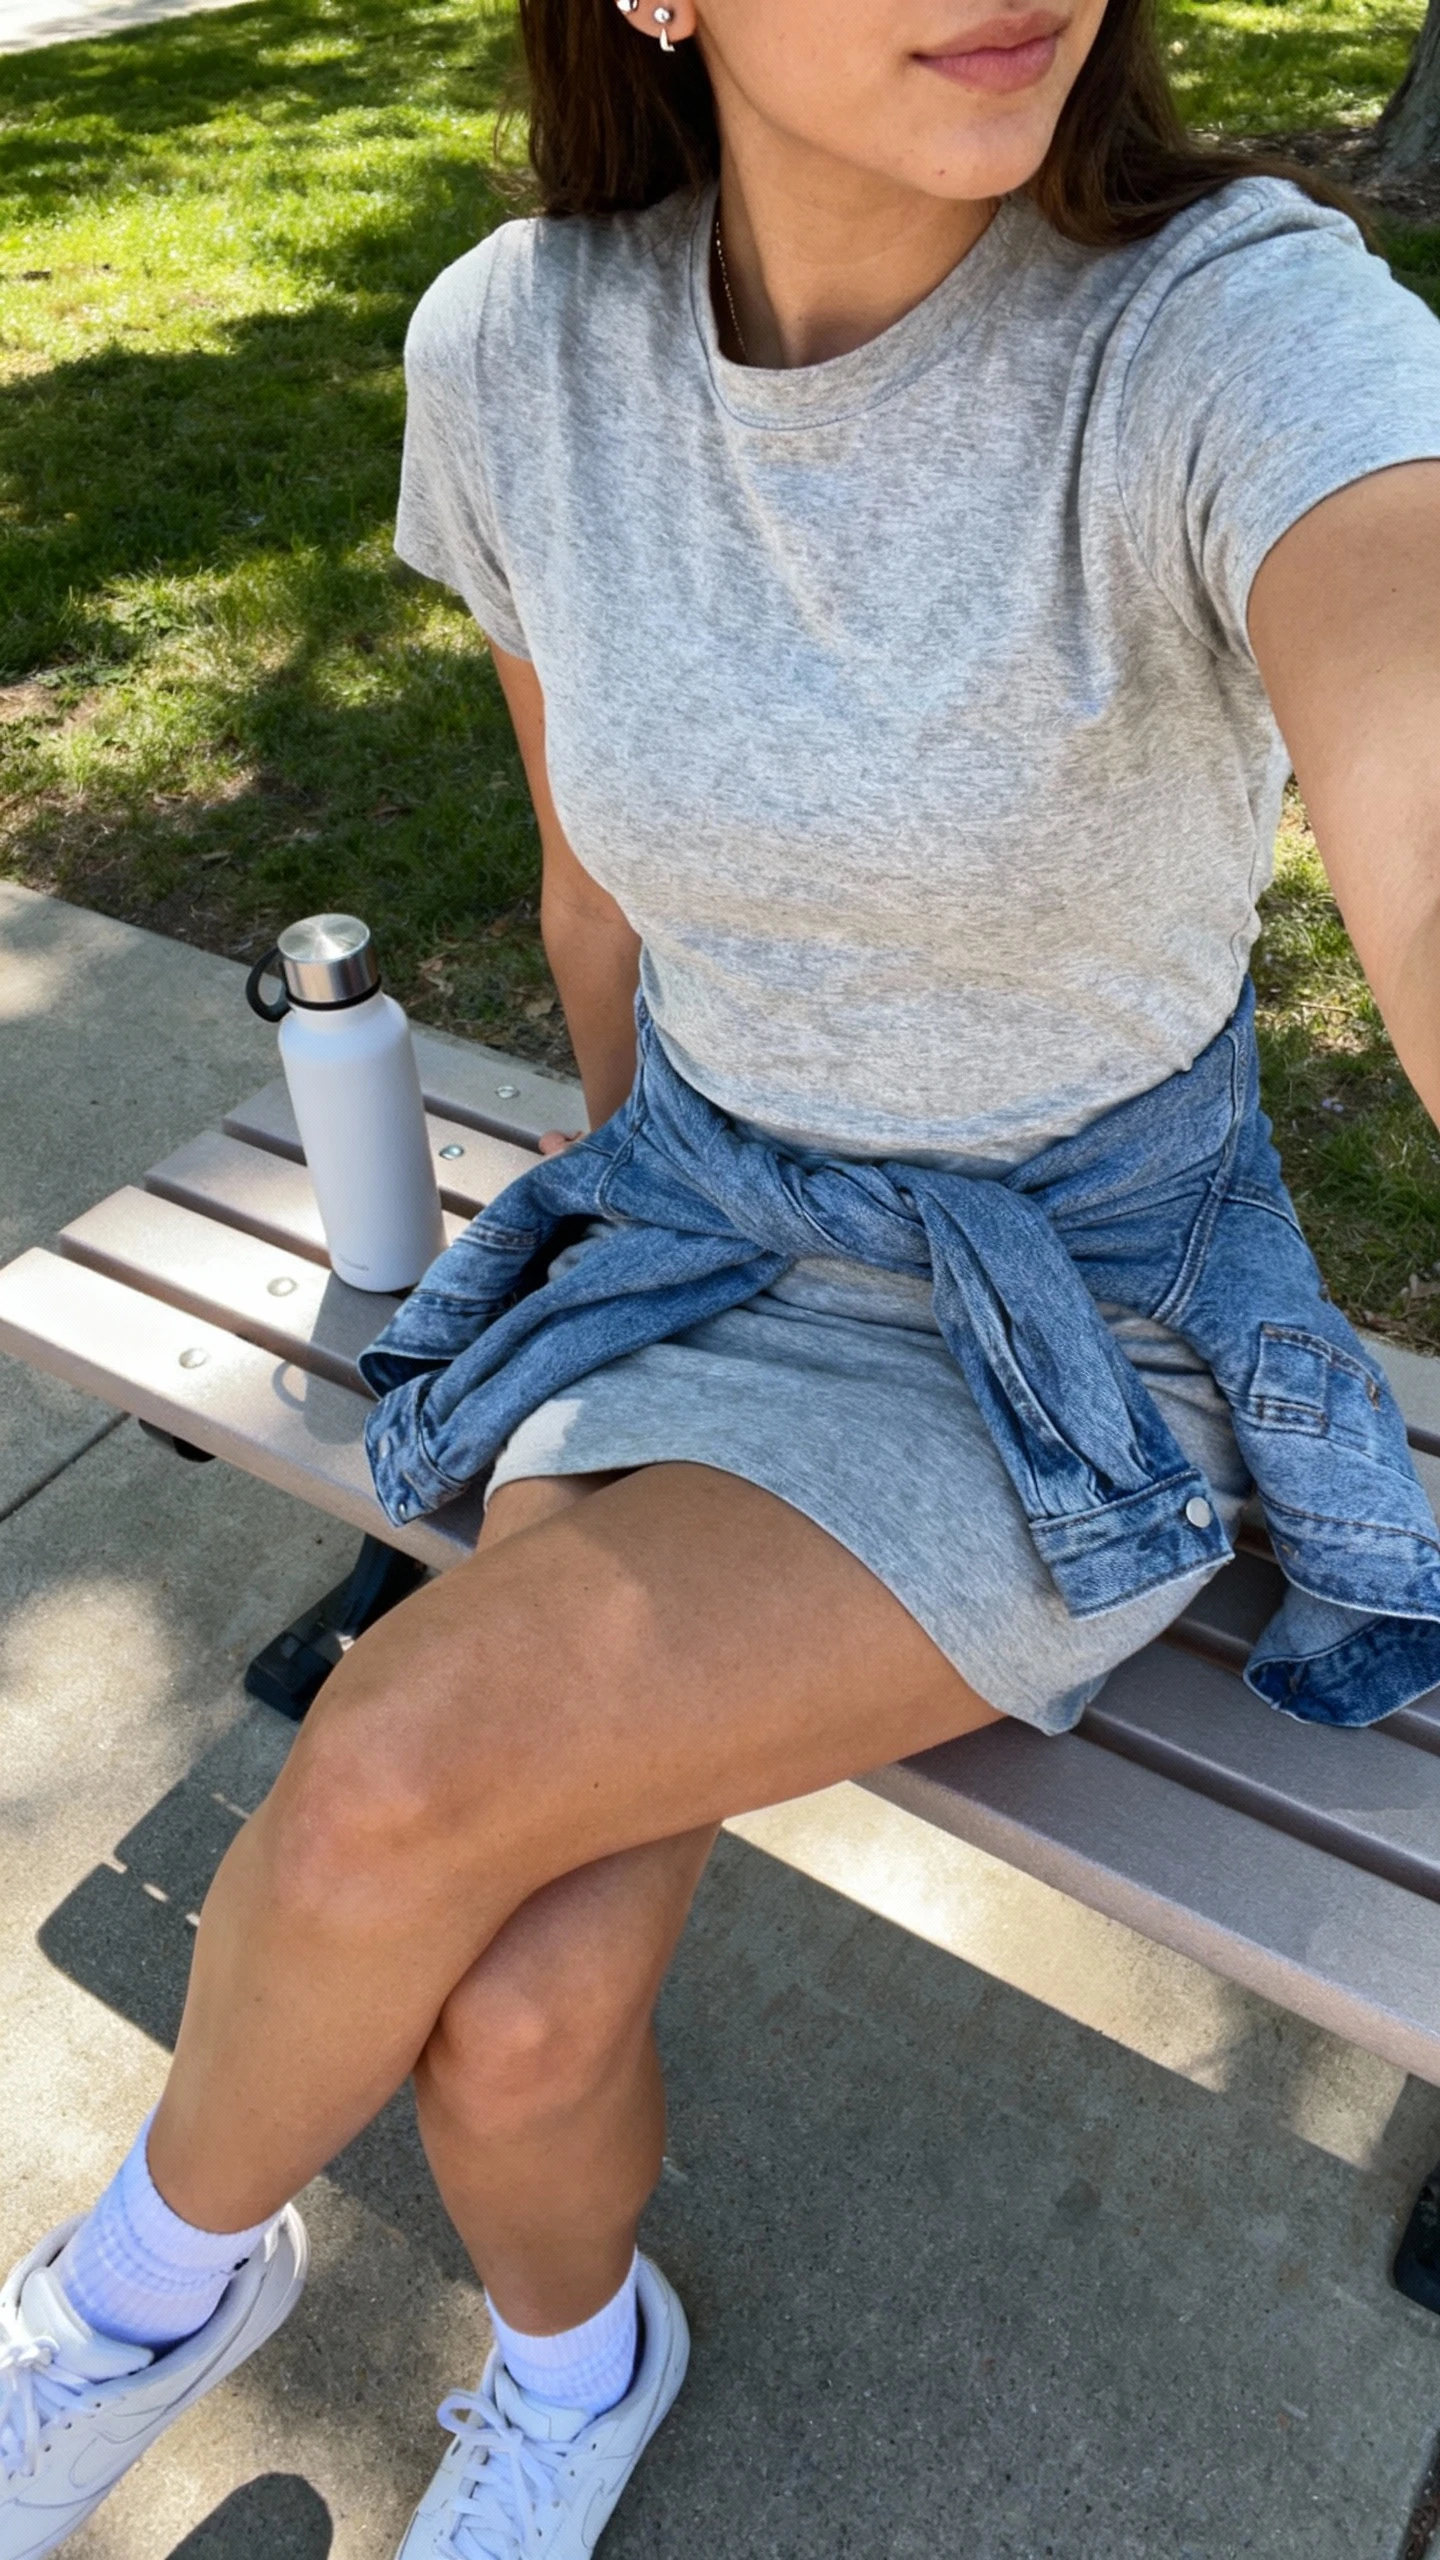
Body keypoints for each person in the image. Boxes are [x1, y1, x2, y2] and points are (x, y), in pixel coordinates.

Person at [6, 0, 1440, 2551]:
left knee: (387, 1791)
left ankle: (139, 2293)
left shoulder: (1234, 327)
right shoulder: (514, 351)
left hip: (1064, 1319)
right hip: (702, 1218)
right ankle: (576, 2367)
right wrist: (614, 1248)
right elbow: (593, 890)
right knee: (523, 2015)